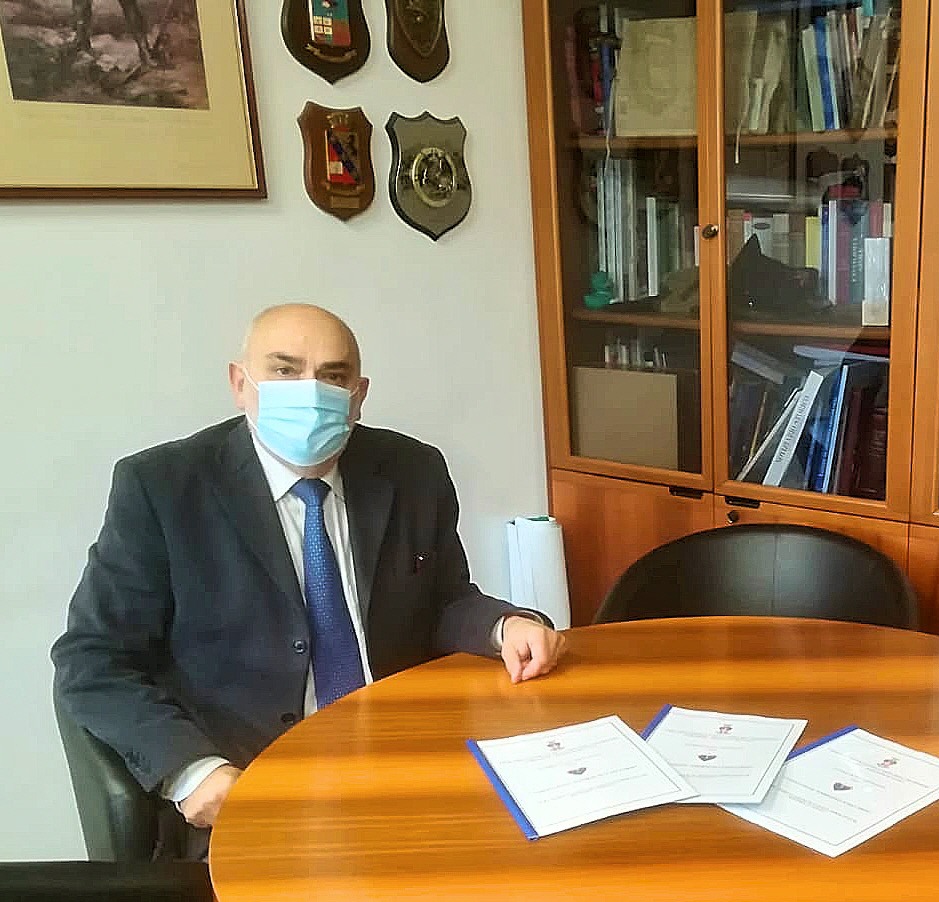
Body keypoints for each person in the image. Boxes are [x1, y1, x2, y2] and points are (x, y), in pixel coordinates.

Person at [53, 303, 566, 861]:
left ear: (358, 395)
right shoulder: (162, 488)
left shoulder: (412, 469)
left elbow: (442, 599)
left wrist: (503, 625)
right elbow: (92, 658)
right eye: (284, 370)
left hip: (403, 764)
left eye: (333, 375)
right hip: (252, 786)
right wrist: (191, 770)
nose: (310, 391)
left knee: (537, 855)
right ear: (240, 384)